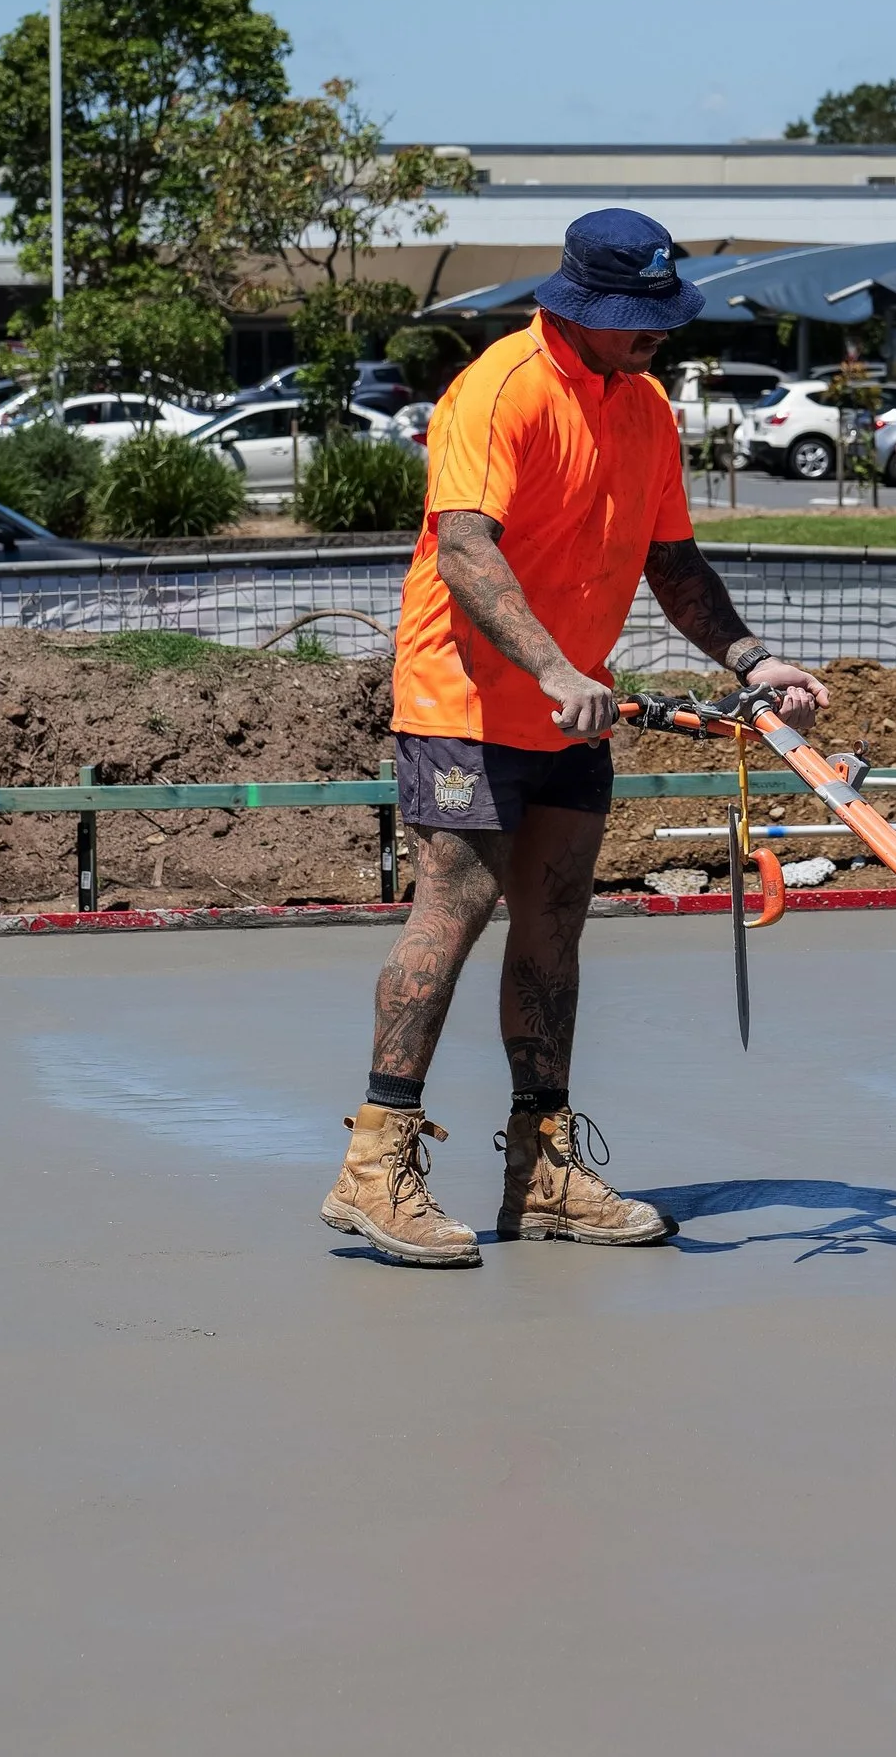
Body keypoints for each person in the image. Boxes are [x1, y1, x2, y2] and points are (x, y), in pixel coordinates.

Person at [321, 209, 828, 1265]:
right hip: (467, 698)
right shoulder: (501, 388)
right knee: (453, 907)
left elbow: (674, 564)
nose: (655, 334)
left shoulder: (643, 409)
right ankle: (373, 1165)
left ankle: (540, 1167)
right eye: (635, 317)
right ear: (580, 306)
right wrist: (551, 665)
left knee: (555, 922)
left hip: (570, 707)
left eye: (661, 315)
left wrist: (750, 658)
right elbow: (464, 549)